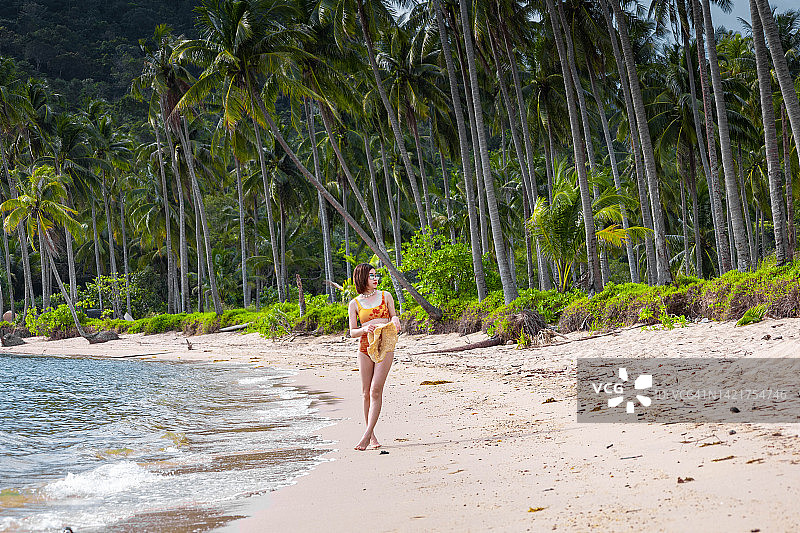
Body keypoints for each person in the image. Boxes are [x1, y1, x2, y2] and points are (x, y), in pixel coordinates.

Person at [348, 263, 401, 451]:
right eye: (371, 275)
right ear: (362, 278)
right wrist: (364, 329)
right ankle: (372, 436)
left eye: (376, 275)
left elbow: (394, 318)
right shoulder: (355, 303)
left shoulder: (386, 296)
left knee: (376, 390)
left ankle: (365, 435)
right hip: (364, 347)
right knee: (365, 393)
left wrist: (395, 320)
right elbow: (353, 332)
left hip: (385, 344)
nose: (375, 278)